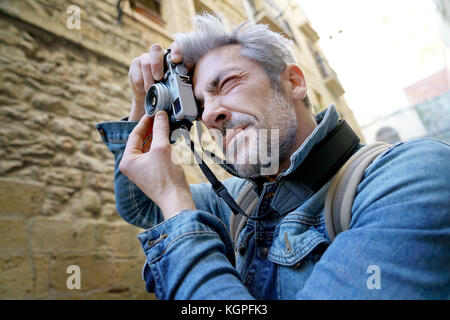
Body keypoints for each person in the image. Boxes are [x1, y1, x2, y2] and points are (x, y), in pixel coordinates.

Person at [96, 14, 450, 299]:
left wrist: (177, 202)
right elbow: (140, 206)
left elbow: (165, 204)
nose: (208, 116)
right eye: (200, 105)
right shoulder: (241, 199)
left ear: (294, 82)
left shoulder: (410, 176)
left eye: (227, 83)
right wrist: (141, 106)